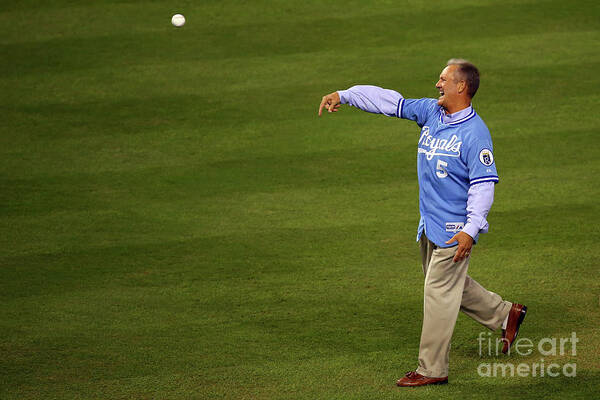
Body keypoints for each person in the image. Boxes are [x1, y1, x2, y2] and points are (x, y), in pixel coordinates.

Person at [318, 59, 527, 387]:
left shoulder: (475, 133)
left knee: (438, 293)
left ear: (461, 87)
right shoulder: (432, 112)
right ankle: (505, 314)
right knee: (446, 283)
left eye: (443, 79)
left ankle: (432, 369)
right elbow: (390, 101)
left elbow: (483, 185)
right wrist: (345, 95)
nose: (437, 84)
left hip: (453, 231)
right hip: (429, 222)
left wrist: (470, 230)